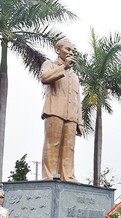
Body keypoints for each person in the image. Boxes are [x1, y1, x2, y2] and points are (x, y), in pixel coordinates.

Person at [40, 38, 84, 182]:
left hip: (71, 114)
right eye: (67, 49)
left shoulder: (75, 76)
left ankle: (68, 176)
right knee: (52, 144)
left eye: (72, 50)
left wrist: (80, 122)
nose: (71, 52)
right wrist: (63, 67)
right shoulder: (50, 64)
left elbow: (78, 100)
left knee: (69, 147)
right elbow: (44, 77)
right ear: (58, 50)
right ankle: (50, 175)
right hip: (54, 110)